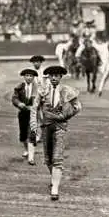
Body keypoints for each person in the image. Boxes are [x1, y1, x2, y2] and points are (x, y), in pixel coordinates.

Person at [30, 65, 81, 201]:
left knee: (57, 158)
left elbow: (77, 107)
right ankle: (54, 180)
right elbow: (34, 109)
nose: (53, 78)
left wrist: (65, 116)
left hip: (60, 127)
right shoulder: (42, 90)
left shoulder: (67, 91)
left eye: (56, 75)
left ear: (60, 77)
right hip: (46, 126)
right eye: (51, 75)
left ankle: (55, 188)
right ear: (48, 77)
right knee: (48, 159)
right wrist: (33, 128)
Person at [12, 68, 39, 165]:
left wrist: (36, 105)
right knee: (23, 133)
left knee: (32, 133)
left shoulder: (37, 88)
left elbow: (42, 99)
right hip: (23, 113)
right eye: (27, 75)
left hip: (33, 113)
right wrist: (19, 104)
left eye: (31, 76)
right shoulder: (19, 87)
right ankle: (26, 149)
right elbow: (14, 98)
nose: (28, 77)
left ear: (33, 77)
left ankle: (31, 157)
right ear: (24, 77)